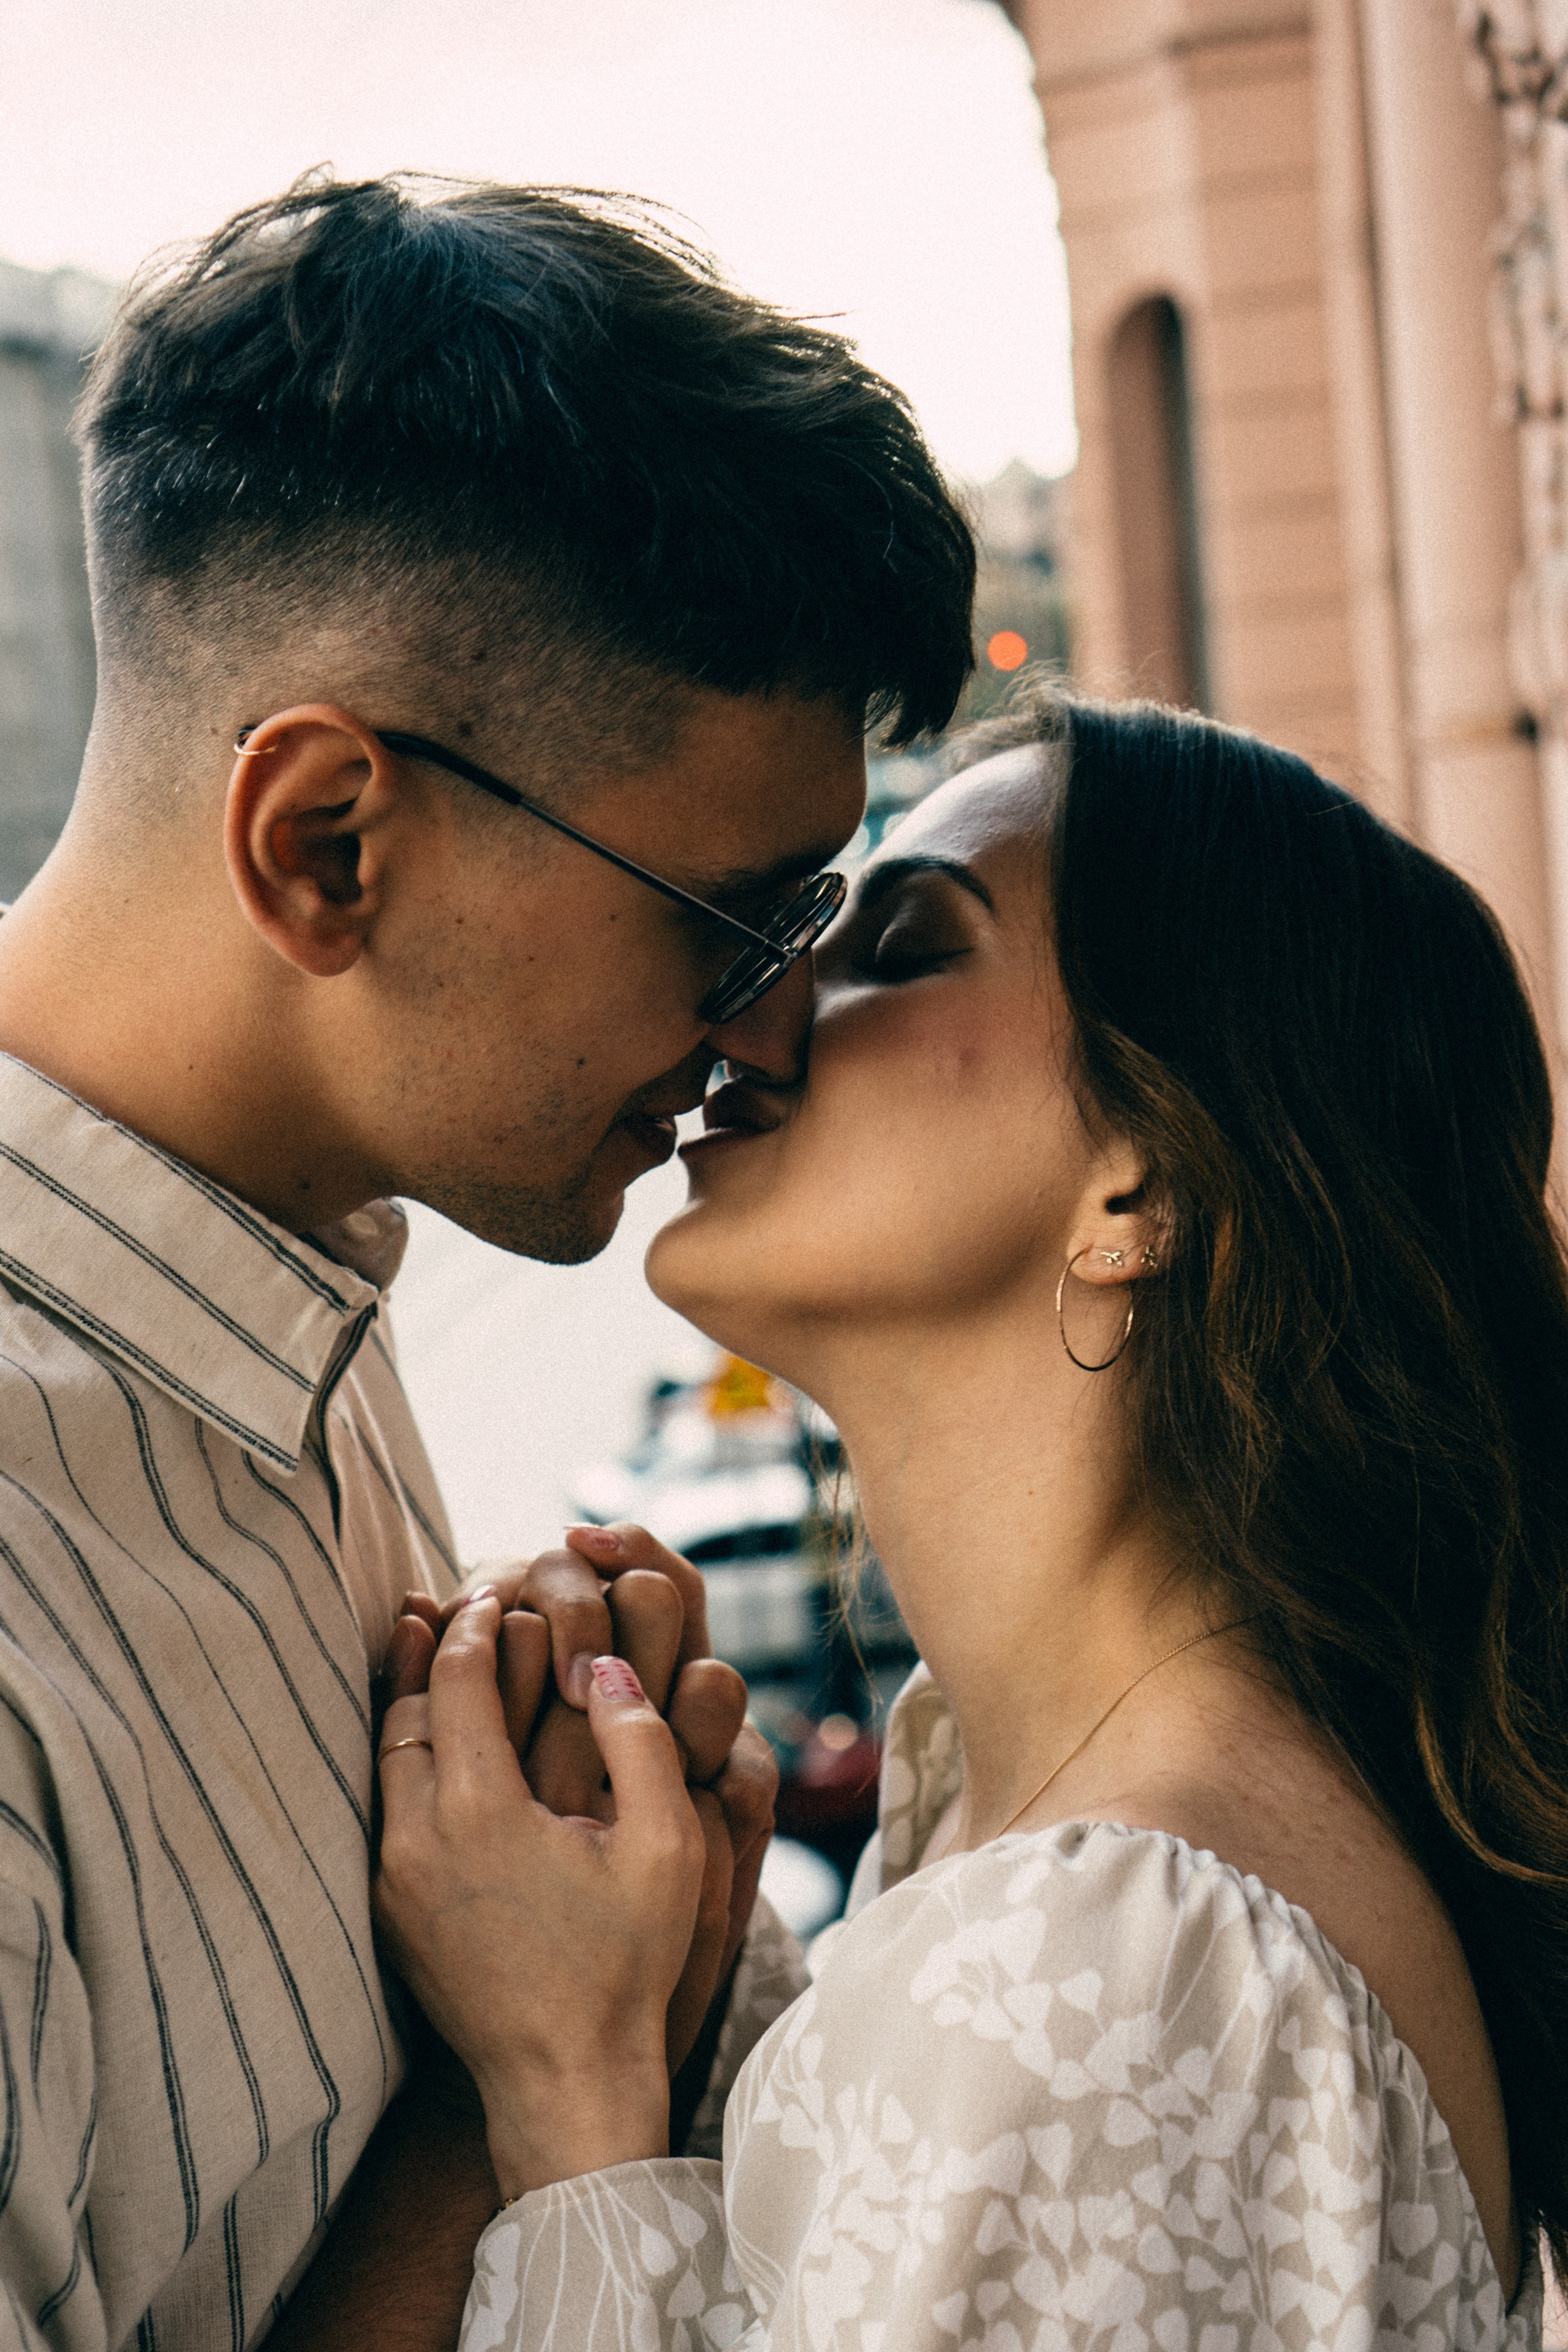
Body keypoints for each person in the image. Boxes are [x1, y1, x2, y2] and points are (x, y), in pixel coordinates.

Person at [0, 173, 975, 2348]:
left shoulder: (283, 1312)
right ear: (326, 844)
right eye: (738, 921)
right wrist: (522, 2078)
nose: (780, 1030)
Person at [377, 693, 1568, 2348]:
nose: (759, 1009)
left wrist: (569, 2092)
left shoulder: (1104, 1956)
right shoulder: (1073, 1859)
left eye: (907, 942)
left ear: (1142, 1182)